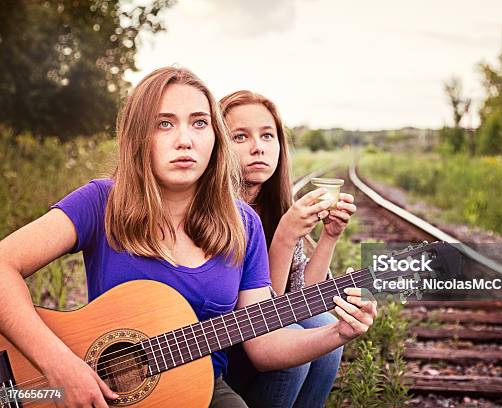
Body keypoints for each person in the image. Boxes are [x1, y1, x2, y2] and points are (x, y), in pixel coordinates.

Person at [0, 67, 377, 408]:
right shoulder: (100, 202)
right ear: (137, 137)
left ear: (215, 139)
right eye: (164, 124)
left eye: (199, 123)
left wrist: (337, 333)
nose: (185, 140)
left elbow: (263, 345)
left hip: (199, 391)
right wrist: (61, 367)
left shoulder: (244, 223)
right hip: (81, 391)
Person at [220, 90, 357, 407]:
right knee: (295, 349)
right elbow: (265, 320)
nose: (258, 147)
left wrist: (329, 237)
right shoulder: (218, 214)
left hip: (260, 337)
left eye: (267, 136)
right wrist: (284, 238)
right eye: (240, 137)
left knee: (321, 324)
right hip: (221, 353)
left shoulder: (273, 207)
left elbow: (305, 300)